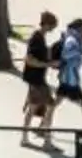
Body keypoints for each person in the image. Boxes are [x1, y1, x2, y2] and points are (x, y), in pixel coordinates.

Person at [20, 10, 59, 148]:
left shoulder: (40, 38)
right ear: (47, 24)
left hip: (36, 79)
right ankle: (46, 140)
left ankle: (25, 138)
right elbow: (29, 60)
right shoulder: (36, 38)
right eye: (53, 25)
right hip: (36, 80)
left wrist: (51, 63)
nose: (54, 28)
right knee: (50, 106)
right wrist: (47, 64)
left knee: (33, 108)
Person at [55, 14, 82, 135]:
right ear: (79, 29)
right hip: (70, 79)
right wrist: (79, 52)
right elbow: (66, 55)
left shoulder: (75, 38)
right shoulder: (72, 40)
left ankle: (43, 126)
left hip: (67, 78)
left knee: (55, 103)